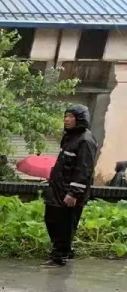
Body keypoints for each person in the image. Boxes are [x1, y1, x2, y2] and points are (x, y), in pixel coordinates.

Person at [43, 104, 97, 267]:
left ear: (79, 119)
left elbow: (84, 168)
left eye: (71, 116)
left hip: (70, 192)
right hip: (58, 188)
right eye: (66, 116)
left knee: (64, 224)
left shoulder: (85, 140)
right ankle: (65, 250)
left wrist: (74, 192)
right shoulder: (70, 137)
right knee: (51, 219)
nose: (66, 119)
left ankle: (60, 256)